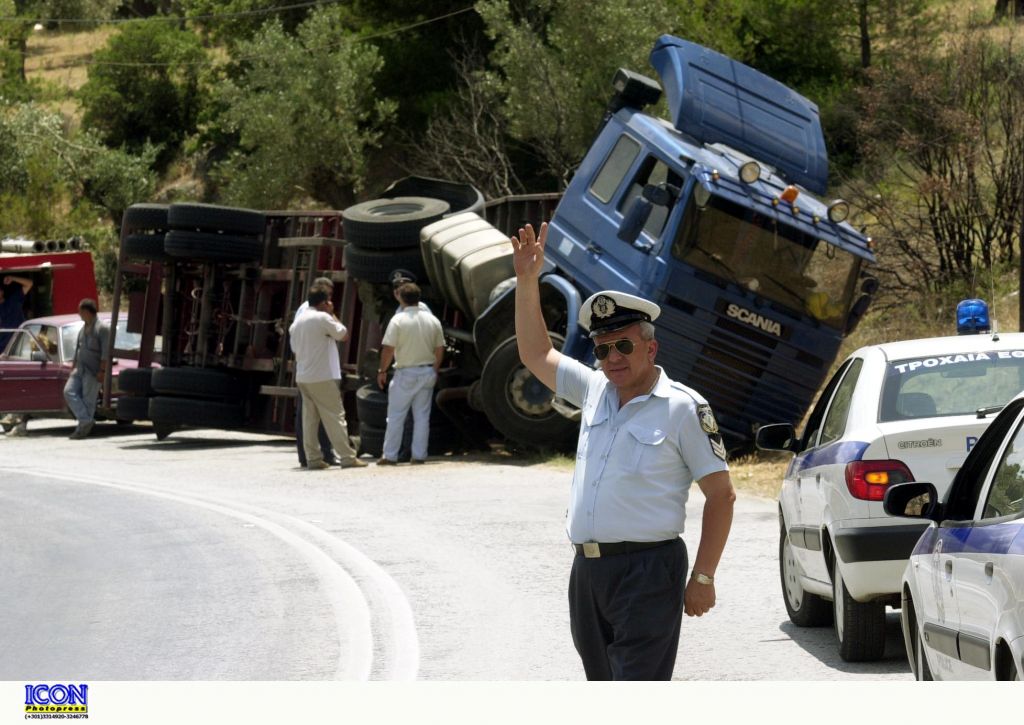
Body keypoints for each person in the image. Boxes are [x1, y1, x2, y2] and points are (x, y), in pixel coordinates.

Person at [511, 222, 736, 681]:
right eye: (602, 348)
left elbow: (722, 495)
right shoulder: (594, 389)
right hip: (588, 572)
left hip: (648, 570)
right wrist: (527, 280)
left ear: (651, 348)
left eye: (624, 345)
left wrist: (704, 576)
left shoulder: (683, 407)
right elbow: (535, 354)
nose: (613, 357)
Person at [288, 289, 367, 470]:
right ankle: (347, 457)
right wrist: (332, 314)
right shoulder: (323, 318)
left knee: (310, 419)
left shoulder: (296, 323)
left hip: (303, 376)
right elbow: (343, 334)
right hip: (322, 376)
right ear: (324, 302)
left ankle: (313, 459)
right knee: (335, 416)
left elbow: (294, 348)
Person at [376, 282, 444, 465]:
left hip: (405, 372)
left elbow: (388, 349)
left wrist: (382, 370)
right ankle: (419, 455)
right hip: (427, 371)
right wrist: (434, 369)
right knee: (422, 417)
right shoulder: (433, 320)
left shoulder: (398, 320)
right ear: (418, 297)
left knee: (396, 416)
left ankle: (390, 455)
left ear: (400, 298)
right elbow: (439, 349)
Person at [293, 277, 338, 467]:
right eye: (327, 295)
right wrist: (331, 313)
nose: (329, 300)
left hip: (311, 369)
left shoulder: (310, 312)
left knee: (311, 415)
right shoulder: (314, 313)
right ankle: (320, 454)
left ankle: (313, 455)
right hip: (316, 370)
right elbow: (341, 332)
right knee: (319, 415)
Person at [64, 299, 110, 440]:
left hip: (93, 371)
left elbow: (106, 353)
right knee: (68, 391)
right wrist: (73, 367)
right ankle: (86, 421)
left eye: (80, 311)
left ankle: (82, 430)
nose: (79, 314)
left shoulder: (102, 329)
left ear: (87, 311)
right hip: (79, 370)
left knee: (88, 401)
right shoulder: (82, 329)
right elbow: (78, 349)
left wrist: (102, 371)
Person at [0, 275, 33, 350]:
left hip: (19, 346)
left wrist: (12, 278)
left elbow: (29, 283)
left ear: (2, 292)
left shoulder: (14, 300)